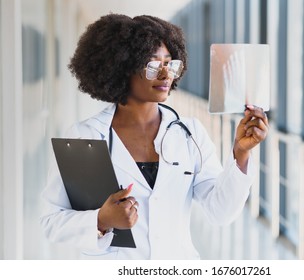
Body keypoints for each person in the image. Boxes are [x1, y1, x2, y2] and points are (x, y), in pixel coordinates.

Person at [40, 14, 269, 260]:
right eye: (152, 65)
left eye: (170, 64)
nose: (165, 74)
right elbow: (51, 221)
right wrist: (101, 220)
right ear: (121, 68)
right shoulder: (86, 136)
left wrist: (241, 154)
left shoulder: (190, 134)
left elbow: (220, 211)